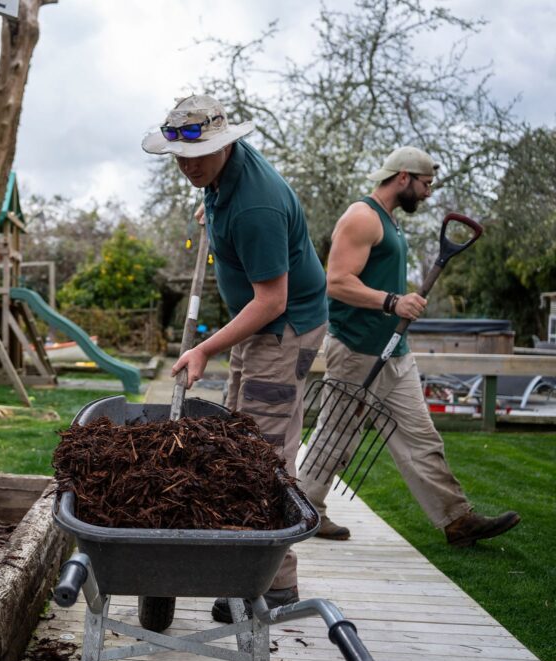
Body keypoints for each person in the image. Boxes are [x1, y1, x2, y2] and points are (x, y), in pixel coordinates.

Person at [143, 95, 328, 623]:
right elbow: (220, 191)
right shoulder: (224, 179)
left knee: (264, 453)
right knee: (243, 439)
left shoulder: (256, 205)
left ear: (225, 143)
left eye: (199, 155)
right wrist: (211, 200)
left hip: (283, 328)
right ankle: (252, 569)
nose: (187, 165)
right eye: (180, 156)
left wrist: (203, 347)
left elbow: (273, 300)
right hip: (259, 324)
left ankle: (272, 585)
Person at [295, 146, 519, 546]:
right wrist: (392, 302)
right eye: (426, 184)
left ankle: (457, 520)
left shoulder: (390, 222)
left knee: (421, 438)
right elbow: (337, 281)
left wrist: (398, 301)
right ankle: (302, 510)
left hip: (395, 350)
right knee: (336, 436)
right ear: (403, 178)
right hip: (358, 349)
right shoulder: (362, 217)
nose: (429, 193)